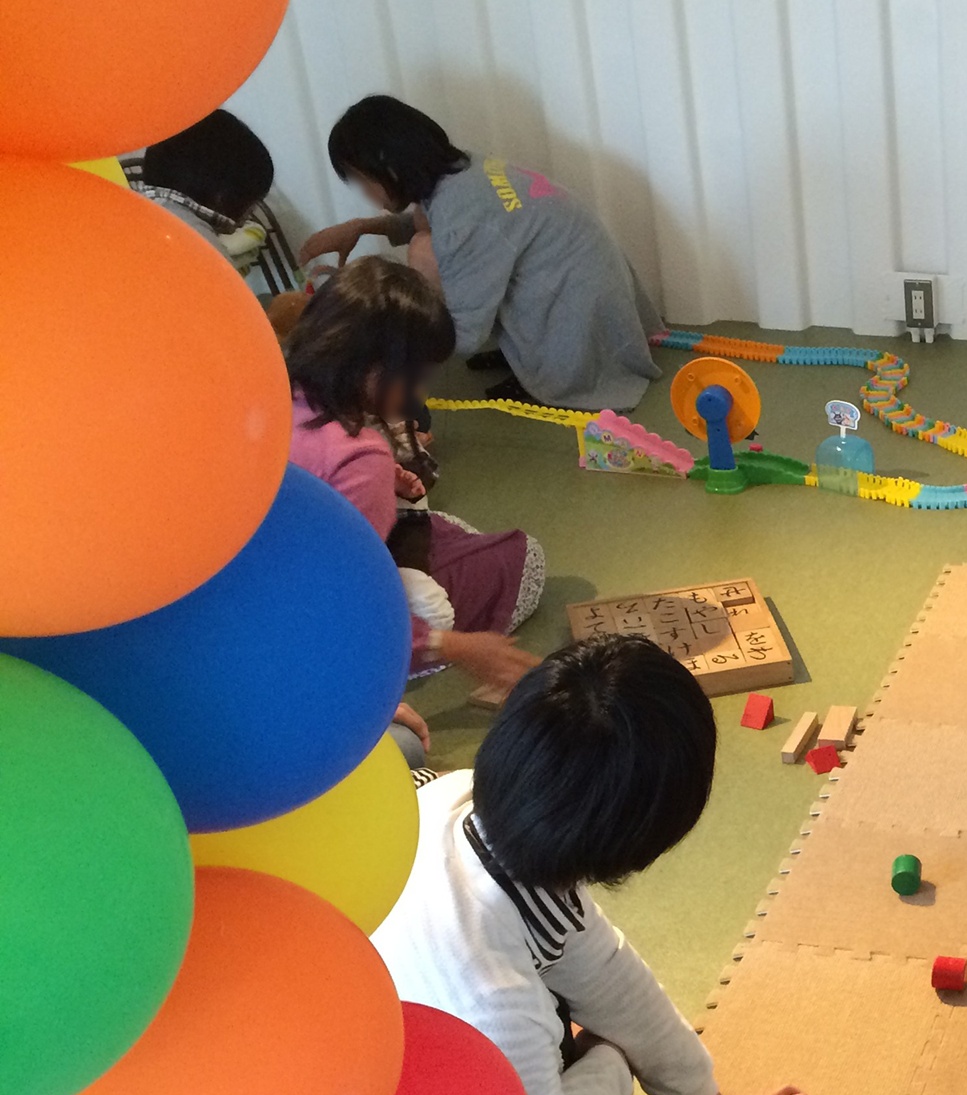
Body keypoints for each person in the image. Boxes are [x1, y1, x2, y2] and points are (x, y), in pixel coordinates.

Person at [372, 634, 838, 1095]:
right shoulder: (497, 1002)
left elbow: (609, 973)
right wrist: (611, 1056)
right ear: (640, 844)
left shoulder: (462, 797)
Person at [298, 95, 663, 411]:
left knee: (424, 250)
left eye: (362, 180)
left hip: (577, 331)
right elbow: (437, 223)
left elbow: (464, 333)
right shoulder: (462, 173)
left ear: (389, 166)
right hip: (590, 302)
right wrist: (360, 227)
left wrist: (374, 345)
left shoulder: (463, 215)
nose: (364, 192)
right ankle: (525, 357)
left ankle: (543, 366)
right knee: (425, 235)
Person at [285, 256, 542, 697]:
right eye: (418, 377)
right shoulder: (359, 456)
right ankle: (407, 659)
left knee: (446, 527)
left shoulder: (273, 391)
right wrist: (458, 647)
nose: (421, 393)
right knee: (525, 557)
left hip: (267, 597)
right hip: (319, 632)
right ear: (375, 368)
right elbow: (348, 604)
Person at [137, 109, 276, 270]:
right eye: (251, 206)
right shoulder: (202, 245)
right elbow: (224, 286)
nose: (245, 220)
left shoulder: (140, 210)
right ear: (222, 198)